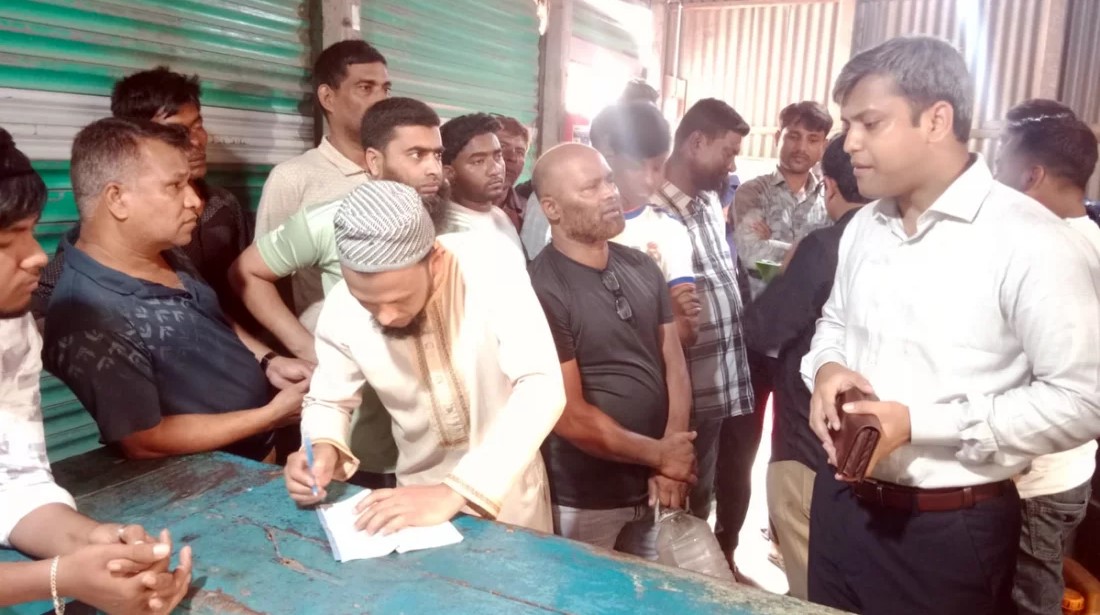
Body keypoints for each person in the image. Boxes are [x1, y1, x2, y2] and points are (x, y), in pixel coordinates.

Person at [802, 36, 1100, 614]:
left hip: (945, 531)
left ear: (936, 120)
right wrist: (828, 368)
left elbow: (1083, 399)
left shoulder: (1030, 240)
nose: (849, 143)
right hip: (841, 506)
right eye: (847, 124)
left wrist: (919, 424)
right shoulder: (865, 227)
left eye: (870, 123)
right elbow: (834, 320)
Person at [284, 181, 565, 533]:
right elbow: (328, 400)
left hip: (507, 493)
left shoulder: (490, 266)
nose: (386, 317)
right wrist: (321, 447)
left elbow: (541, 386)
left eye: (399, 300)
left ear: (436, 263)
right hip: (411, 501)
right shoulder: (343, 306)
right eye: (368, 303)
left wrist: (453, 492)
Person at [0, 127, 192, 613]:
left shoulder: (11, 329)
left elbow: (14, 481)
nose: (36, 255)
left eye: (30, 230)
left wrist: (95, 544)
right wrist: (57, 577)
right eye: (4, 241)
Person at [43, 118, 309, 462]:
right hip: (206, 482)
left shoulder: (163, 249)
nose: (195, 201)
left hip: (258, 458)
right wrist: (269, 415)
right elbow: (144, 440)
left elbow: (209, 317)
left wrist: (268, 361)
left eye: (191, 184)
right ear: (117, 198)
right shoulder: (88, 315)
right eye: (174, 186)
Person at [230, 97, 446, 486]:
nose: (433, 169)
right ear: (374, 162)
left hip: (442, 441)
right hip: (360, 436)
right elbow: (247, 272)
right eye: (416, 155)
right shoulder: (330, 221)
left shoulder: (451, 225)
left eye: (437, 155)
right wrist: (306, 348)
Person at [528, 143, 695, 557]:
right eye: (590, 188)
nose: (610, 194)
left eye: (608, 180)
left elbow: (674, 363)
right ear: (552, 208)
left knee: (656, 591)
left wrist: (671, 456)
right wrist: (661, 455)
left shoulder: (642, 266)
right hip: (586, 499)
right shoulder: (541, 288)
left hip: (656, 485)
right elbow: (569, 414)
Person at [741, 134, 869, 600]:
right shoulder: (905, 242)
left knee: (814, 582)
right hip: (872, 445)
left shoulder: (826, 245)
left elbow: (765, 326)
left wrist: (786, 265)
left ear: (829, 185)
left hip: (809, 445)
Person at [33, 67, 251, 321]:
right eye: (177, 132)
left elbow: (245, 283)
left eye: (198, 125)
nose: (196, 141)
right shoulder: (108, 240)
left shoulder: (223, 205)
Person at [995, 99, 1100, 615]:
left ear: (1031, 175)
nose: (993, 180)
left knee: (1029, 601)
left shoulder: (1050, 254)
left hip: (1035, 480)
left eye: (1001, 165)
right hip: (1068, 469)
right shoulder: (1091, 241)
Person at [653, 98, 755, 577]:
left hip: (716, 385)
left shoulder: (711, 203)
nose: (731, 165)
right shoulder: (653, 212)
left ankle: (704, 579)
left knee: (701, 496)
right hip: (680, 392)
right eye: (727, 152)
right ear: (696, 143)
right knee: (670, 503)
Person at [255, 40, 391, 330]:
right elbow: (263, 278)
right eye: (366, 88)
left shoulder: (399, 169)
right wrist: (301, 347)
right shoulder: (293, 178)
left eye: (385, 89)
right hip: (334, 348)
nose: (381, 101)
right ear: (328, 97)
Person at [589, 101, 700, 346]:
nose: (650, 179)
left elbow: (687, 331)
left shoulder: (669, 231)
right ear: (607, 158)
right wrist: (660, 310)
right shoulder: (576, 228)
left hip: (650, 368)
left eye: (658, 167)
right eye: (636, 167)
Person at [733, 101, 833, 298]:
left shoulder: (828, 197)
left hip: (812, 315)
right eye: (793, 137)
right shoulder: (752, 193)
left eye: (813, 140)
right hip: (762, 311)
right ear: (778, 138)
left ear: (824, 146)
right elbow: (752, 257)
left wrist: (771, 246)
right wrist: (814, 257)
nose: (801, 147)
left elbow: (835, 261)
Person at [438, 114, 524, 258]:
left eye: (498, 156)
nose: (495, 169)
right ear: (449, 173)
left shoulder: (500, 216)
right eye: (478, 161)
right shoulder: (447, 236)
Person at [493, 115, 531, 233]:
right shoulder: (449, 206)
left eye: (520, 152)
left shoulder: (530, 213)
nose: (512, 157)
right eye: (502, 147)